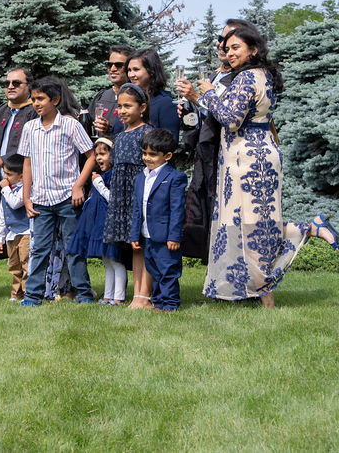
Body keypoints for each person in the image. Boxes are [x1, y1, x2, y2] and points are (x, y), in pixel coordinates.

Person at [179, 25, 339, 307]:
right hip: (256, 154)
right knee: (251, 225)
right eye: (227, 49)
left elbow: (230, 119)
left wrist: (203, 95)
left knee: (251, 227)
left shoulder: (245, 78)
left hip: (247, 159)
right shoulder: (262, 75)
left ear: (253, 49)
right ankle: (245, 295)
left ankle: (309, 230)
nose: (229, 53)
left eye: (235, 48)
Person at [178, 18, 253, 261]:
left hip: (227, 155)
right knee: (205, 211)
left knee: (225, 214)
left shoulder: (242, 78)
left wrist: (198, 97)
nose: (222, 45)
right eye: (221, 40)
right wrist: (191, 107)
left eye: (230, 41)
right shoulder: (215, 75)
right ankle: (215, 274)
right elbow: (208, 113)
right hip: (206, 152)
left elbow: (229, 115)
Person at [19, 76, 97, 306]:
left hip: (66, 198)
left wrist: (78, 186)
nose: (36, 103)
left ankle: (83, 293)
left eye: (41, 99)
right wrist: (26, 197)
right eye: (33, 99)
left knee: (73, 247)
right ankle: (32, 296)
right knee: (40, 249)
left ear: (55, 100)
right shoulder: (30, 128)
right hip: (41, 199)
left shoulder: (71, 125)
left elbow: (90, 156)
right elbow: (27, 163)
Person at [103, 83, 154, 309]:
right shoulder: (120, 136)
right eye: (120, 106)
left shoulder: (147, 133)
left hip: (139, 195)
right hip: (121, 197)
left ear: (142, 107)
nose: (122, 111)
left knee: (144, 243)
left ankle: (146, 294)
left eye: (128, 106)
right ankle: (137, 295)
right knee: (135, 245)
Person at [129, 128, 188, 312]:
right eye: (145, 153)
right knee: (154, 269)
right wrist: (134, 234)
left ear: (167, 155)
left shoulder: (175, 178)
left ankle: (170, 304)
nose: (147, 158)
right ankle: (159, 302)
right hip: (147, 234)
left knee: (168, 270)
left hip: (165, 236)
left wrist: (174, 236)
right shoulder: (141, 178)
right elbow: (138, 208)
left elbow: (177, 209)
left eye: (153, 155)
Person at [67, 138, 123, 304]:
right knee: (107, 261)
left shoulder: (114, 176)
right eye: (97, 154)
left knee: (115, 260)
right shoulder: (102, 174)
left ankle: (118, 297)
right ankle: (107, 296)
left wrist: (98, 183)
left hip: (110, 223)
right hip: (99, 224)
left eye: (103, 154)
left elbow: (112, 199)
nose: (99, 158)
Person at [112, 49, 180, 142]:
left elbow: (170, 141)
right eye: (129, 70)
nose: (131, 74)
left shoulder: (165, 103)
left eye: (136, 69)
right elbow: (117, 133)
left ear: (151, 71)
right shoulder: (127, 101)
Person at [0, 154, 31, 302]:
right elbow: (2, 215)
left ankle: (29, 293)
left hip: (25, 232)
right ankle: (16, 293)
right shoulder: (7, 190)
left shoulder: (25, 189)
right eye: (4, 173)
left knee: (26, 263)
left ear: (22, 177)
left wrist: (5, 189)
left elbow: (15, 203)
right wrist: (0, 238)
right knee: (14, 266)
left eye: (9, 174)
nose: (5, 177)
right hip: (11, 234)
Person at [0, 68, 38, 171]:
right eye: (7, 83)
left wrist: (3, 160)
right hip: (1, 177)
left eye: (16, 83)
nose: (10, 87)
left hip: (23, 176)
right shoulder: (2, 110)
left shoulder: (35, 111)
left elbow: (31, 146)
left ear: (29, 85)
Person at [90, 46, 132, 137]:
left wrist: (108, 129)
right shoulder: (102, 96)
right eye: (109, 65)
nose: (112, 69)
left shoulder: (136, 98)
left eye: (119, 65)